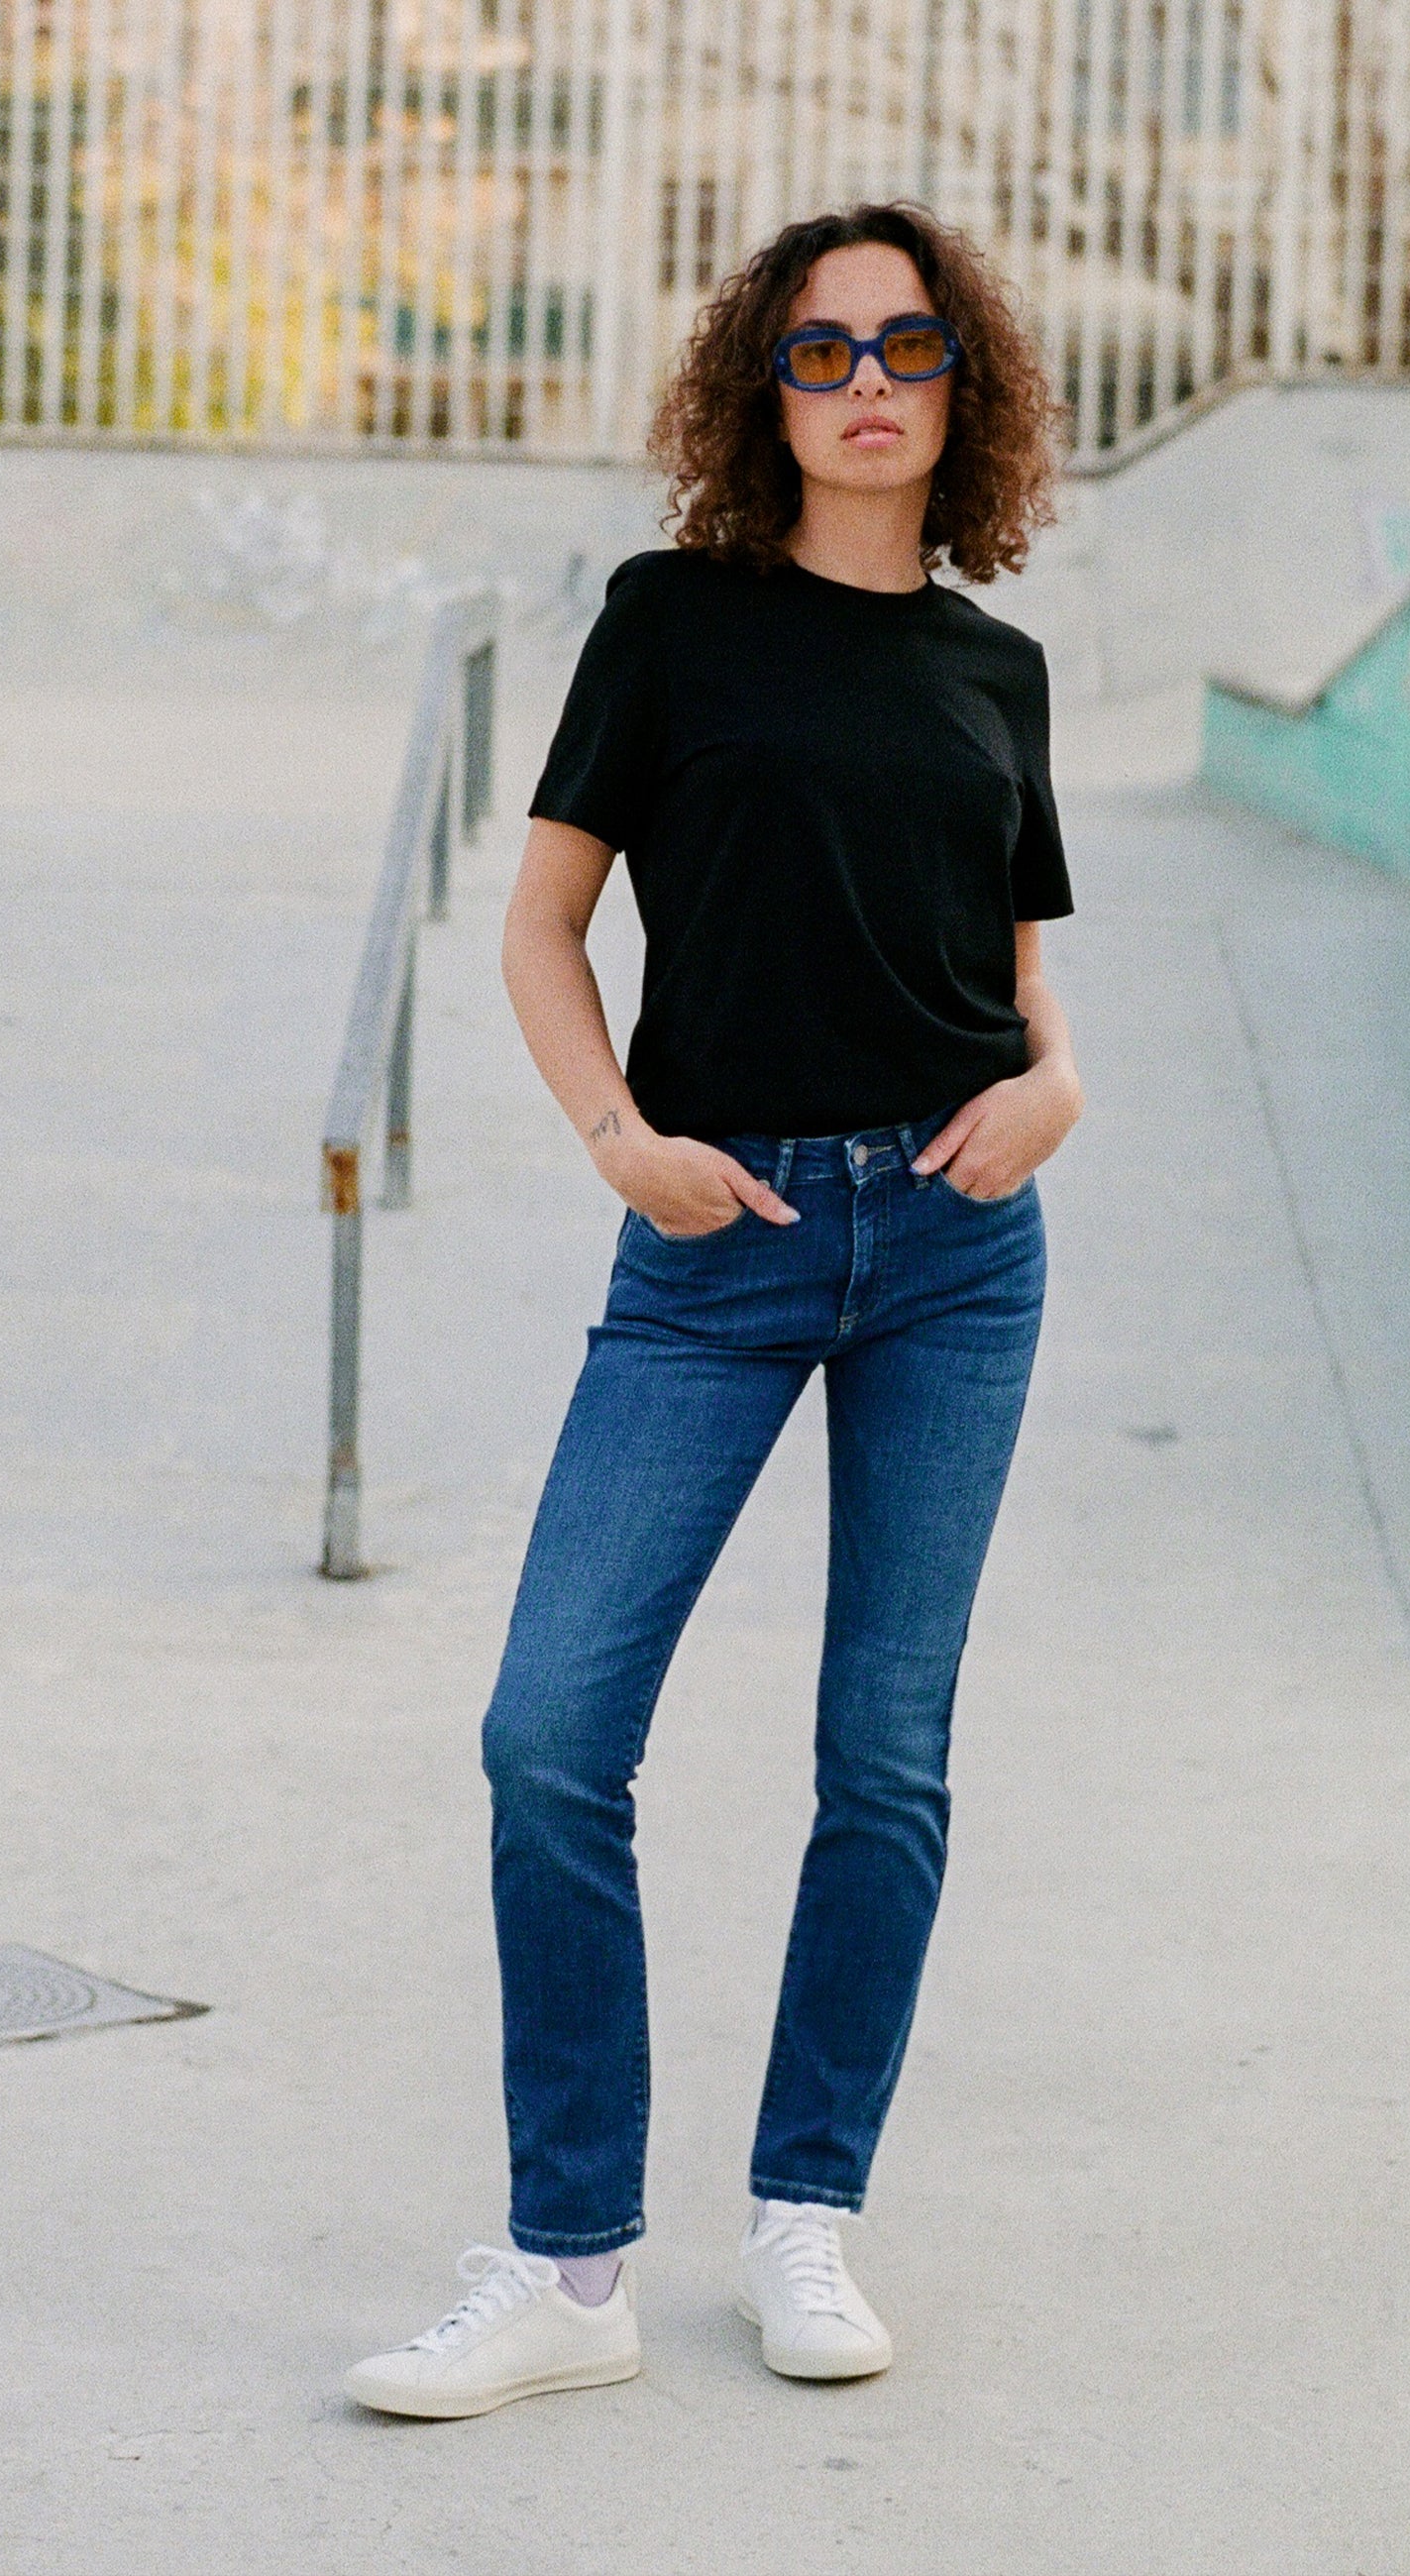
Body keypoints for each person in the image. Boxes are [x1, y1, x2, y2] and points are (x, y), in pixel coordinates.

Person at [346, 200, 1084, 2420]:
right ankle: (573, 2266)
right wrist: (616, 1141)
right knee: (549, 1732)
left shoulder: (994, 670)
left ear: (966, 390)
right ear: (754, 390)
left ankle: (806, 2216)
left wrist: (1057, 1091)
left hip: (958, 1250)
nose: (866, 380)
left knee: (884, 1750)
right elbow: (544, 927)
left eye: (910, 346)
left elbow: (1026, 983)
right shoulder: (670, 624)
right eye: (818, 349)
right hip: (711, 1245)